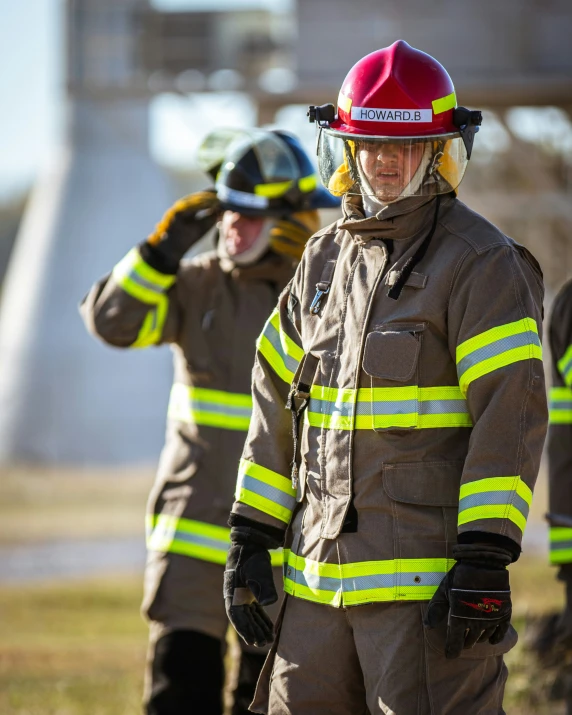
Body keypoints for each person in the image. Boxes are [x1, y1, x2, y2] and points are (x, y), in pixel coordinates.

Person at [224, 40, 548, 714]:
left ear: (439, 151)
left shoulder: (482, 261)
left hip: (425, 594)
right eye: (369, 144)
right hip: (314, 591)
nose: (386, 160)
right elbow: (273, 401)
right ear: (347, 151)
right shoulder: (319, 262)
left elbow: (510, 411)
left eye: (406, 145)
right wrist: (251, 534)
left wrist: (485, 553)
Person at [80, 127, 340, 715]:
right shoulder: (196, 283)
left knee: (267, 699)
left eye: (249, 217)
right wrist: (157, 254)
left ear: (291, 220)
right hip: (194, 537)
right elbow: (110, 321)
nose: (231, 228)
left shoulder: (325, 296)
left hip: (284, 545)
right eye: (228, 214)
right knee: (180, 693)